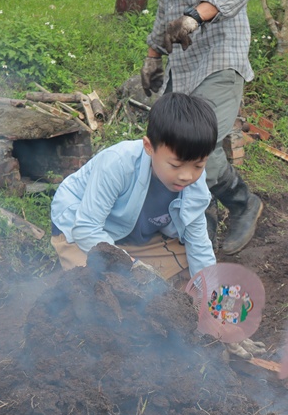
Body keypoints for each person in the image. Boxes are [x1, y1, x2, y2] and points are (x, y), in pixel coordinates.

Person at [140, 0, 262, 254]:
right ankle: (210, 224)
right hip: (182, 66)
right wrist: (153, 56)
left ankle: (219, 223)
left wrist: (195, 16)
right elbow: (166, 9)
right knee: (172, 143)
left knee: (203, 142)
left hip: (220, 56)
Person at [50, 93, 216, 280]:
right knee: (95, 283)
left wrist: (211, 289)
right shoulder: (117, 164)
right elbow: (85, 229)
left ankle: (131, 260)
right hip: (80, 229)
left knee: (193, 268)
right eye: (175, 165)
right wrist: (133, 266)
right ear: (149, 147)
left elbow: (198, 242)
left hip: (130, 234)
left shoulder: (195, 182)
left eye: (198, 166)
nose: (187, 176)